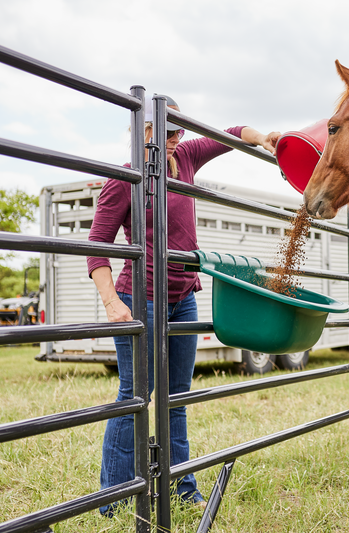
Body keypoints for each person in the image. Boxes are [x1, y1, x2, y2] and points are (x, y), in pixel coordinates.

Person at [87, 94, 280, 515]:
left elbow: (230, 135)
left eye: (180, 130)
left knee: (178, 396)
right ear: (145, 131)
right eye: (167, 131)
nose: (176, 138)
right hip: (140, 298)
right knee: (135, 395)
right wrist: (111, 304)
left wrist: (263, 137)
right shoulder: (125, 178)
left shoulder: (186, 157)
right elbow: (97, 245)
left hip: (182, 299)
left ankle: (182, 486)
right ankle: (115, 496)